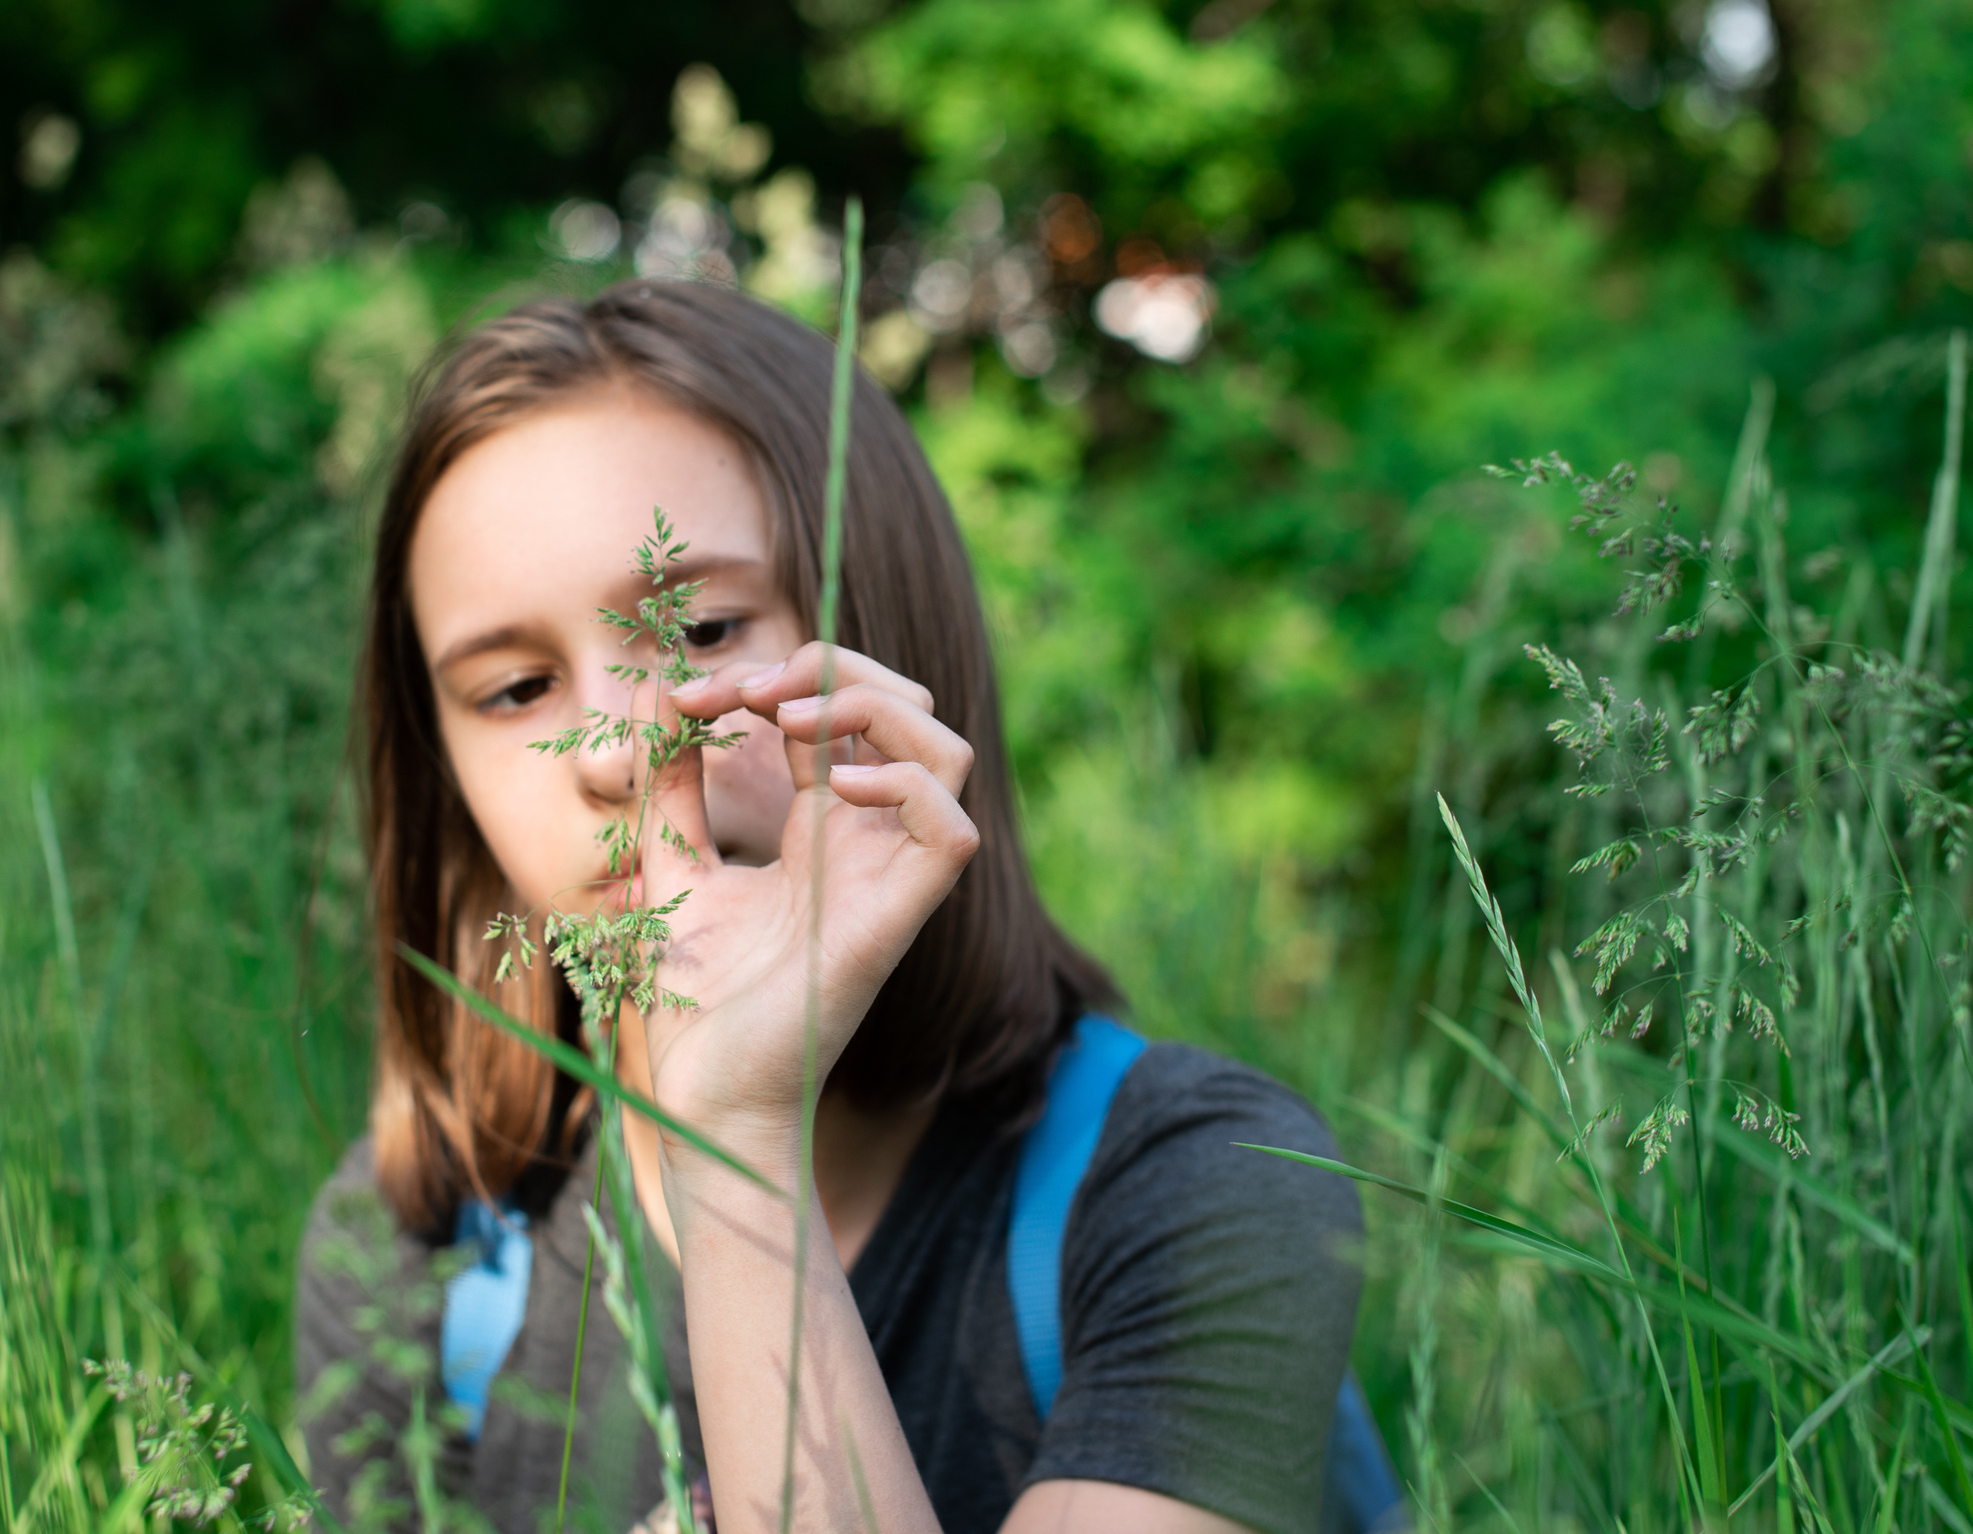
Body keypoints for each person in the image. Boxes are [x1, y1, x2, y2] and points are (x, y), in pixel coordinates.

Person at [294, 279, 1364, 1534]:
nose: (619, 749)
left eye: (698, 626)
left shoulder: (1191, 1186)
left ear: (886, 625)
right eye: (517, 688)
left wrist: (735, 1136)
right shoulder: (411, 1257)